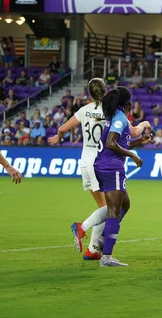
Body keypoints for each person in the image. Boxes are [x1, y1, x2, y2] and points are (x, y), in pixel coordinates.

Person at [49, 80, 149, 261]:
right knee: (109, 209)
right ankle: (92, 243)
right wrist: (144, 125)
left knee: (108, 206)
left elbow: (63, 128)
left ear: (89, 93)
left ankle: (94, 247)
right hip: (104, 158)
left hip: (86, 161)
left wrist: (58, 137)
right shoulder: (111, 111)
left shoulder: (84, 110)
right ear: (105, 90)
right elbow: (131, 133)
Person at [93, 87, 151, 267]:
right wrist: (132, 155)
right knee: (114, 211)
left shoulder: (115, 117)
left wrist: (137, 143)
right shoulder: (119, 118)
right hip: (112, 167)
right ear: (128, 104)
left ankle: (103, 240)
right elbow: (111, 143)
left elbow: (120, 142)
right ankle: (106, 256)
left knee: (125, 204)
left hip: (104, 165)